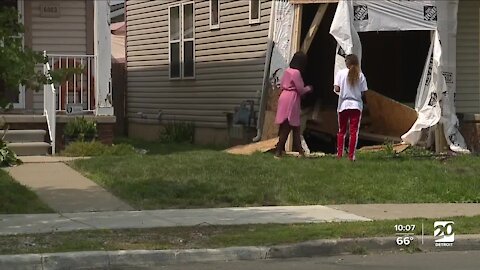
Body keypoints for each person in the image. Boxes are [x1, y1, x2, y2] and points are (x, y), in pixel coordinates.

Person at [274, 52, 313, 158]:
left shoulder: (287, 71)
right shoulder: (296, 73)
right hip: (292, 99)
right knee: (288, 124)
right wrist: (309, 88)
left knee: (295, 126)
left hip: (284, 97)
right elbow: (300, 89)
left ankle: (300, 151)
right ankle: (278, 150)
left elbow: (281, 85)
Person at [333, 54, 368, 161]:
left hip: (343, 105)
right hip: (356, 105)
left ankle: (339, 154)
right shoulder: (360, 75)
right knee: (353, 132)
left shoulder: (340, 73)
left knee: (341, 131)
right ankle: (351, 156)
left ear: (346, 63)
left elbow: (337, 88)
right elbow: (363, 92)